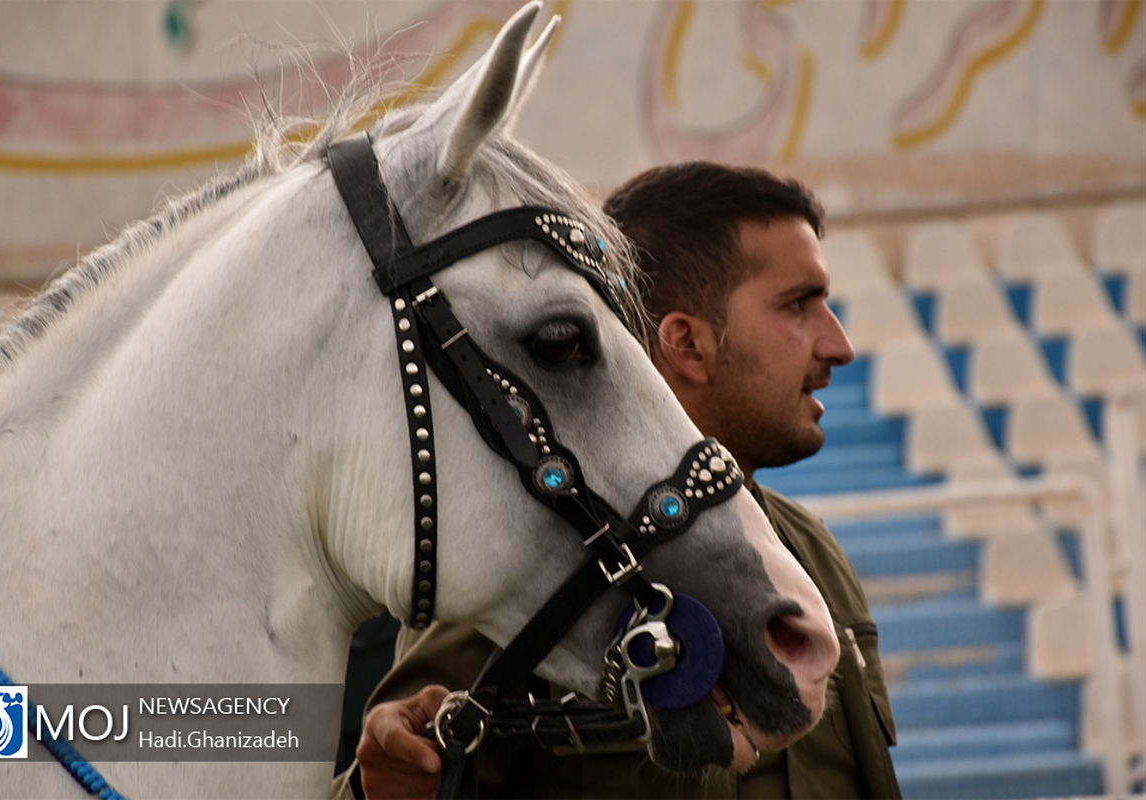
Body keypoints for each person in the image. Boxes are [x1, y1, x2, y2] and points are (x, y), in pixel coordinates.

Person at [350, 162, 901, 799]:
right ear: (687, 344)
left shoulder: (815, 552)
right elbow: (393, 768)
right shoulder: (533, 562)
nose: (839, 345)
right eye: (798, 305)